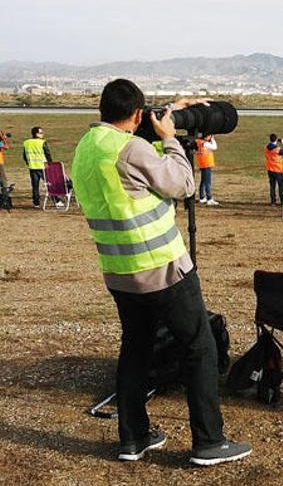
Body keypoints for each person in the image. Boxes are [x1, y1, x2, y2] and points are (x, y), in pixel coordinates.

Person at [70, 78, 251, 466]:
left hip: (119, 271)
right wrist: (171, 140)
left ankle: (133, 439)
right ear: (137, 114)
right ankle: (209, 441)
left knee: (136, 350)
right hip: (161, 267)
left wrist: (170, 110)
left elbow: (126, 152)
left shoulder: (87, 147)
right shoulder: (131, 148)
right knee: (199, 347)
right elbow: (184, 184)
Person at [22, 126, 53, 208]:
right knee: (50, 184)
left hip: (32, 167)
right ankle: (56, 200)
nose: (42, 134)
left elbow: (24, 156)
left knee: (35, 186)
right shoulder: (42, 142)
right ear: (36, 134)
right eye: (41, 133)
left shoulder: (26, 142)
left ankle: (36, 202)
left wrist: (29, 163)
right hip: (43, 167)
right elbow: (47, 154)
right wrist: (50, 164)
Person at [196, 135, 219, 206]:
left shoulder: (199, 142)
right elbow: (215, 147)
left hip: (202, 163)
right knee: (208, 182)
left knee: (203, 181)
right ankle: (209, 198)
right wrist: (212, 139)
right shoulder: (205, 143)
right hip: (207, 164)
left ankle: (202, 197)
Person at [265, 133, 283, 205]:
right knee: (280, 186)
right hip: (278, 170)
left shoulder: (267, 148)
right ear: (276, 140)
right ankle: (282, 201)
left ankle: (273, 201)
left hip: (270, 169)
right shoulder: (277, 149)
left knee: (272, 186)